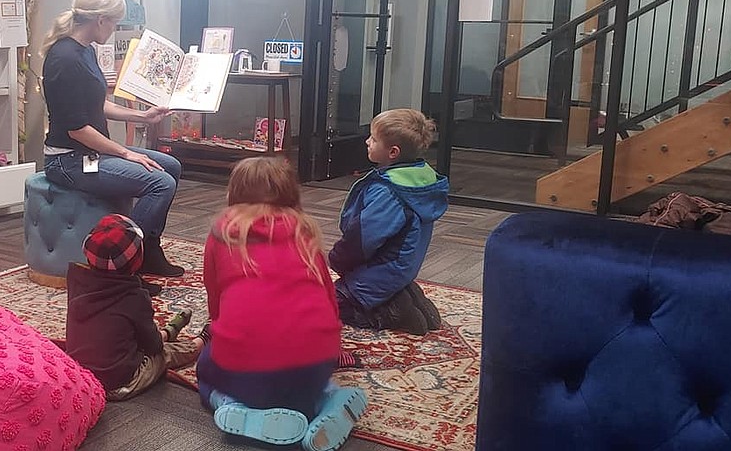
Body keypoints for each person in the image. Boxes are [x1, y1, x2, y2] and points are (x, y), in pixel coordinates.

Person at [197, 157, 367, 451]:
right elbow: (328, 295)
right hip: (316, 361)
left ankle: (232, 407)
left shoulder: (222, 232)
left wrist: (220, 330)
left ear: (233, 193)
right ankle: (326, 403)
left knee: (205, 370)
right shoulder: (305, 233)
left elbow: (214, 294)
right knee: (303, 384)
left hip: (245, 367)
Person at [41, 0, 184, 289]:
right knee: (159, 182)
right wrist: (126, 152)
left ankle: (150, 250)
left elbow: (97, 105)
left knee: (171, 166)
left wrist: (142, 115)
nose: (115, 28)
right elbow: (77, 130)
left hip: (90, 153)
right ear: (100, 20)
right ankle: (123, 267)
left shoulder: (85, 52)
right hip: (68, 160)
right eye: (116, 22)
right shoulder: (63, 60)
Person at [329, 109, 448, 335]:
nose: (367, 141)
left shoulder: (390, 192)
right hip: (401, 267)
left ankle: (395, 312)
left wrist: (339, 258)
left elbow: (364, 237)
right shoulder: (418, 179)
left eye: (373, 139)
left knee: (330, 305)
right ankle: (405, 295)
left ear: (392, 152)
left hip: (383, 268)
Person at [66, 214, 204, 401]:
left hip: (82, 375)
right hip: (121, 383)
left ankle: (168, 332)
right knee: (164, 355)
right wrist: (158, 340)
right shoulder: (134, 296)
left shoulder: (76, 280)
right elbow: (153, 346)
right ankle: (202, 341)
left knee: (124, 333)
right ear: (138, 261)